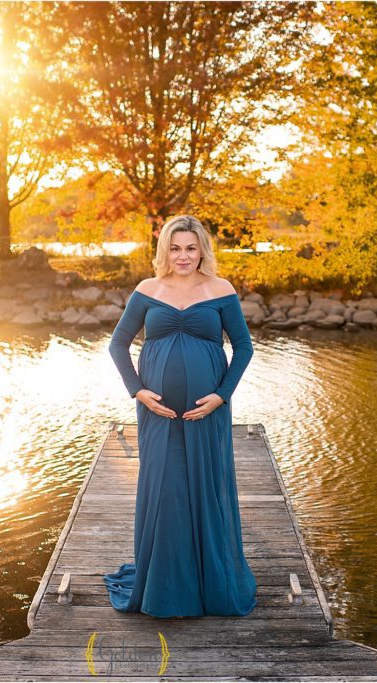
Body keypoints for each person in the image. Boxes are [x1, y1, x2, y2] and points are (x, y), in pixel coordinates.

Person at [103, 215, 257, 617]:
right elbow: (118, 345)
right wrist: (138, 391)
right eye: (175, 248)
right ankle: (165, 587)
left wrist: (221, 397)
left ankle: (209, 585)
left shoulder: (220, 290)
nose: (183, 256)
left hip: (207, 413)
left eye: (190, 248)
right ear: (164, 250)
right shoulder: (148, 290)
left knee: (205, 490)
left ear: (202, 249)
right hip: (158, 412)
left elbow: (243, 348)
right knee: (165, 491)